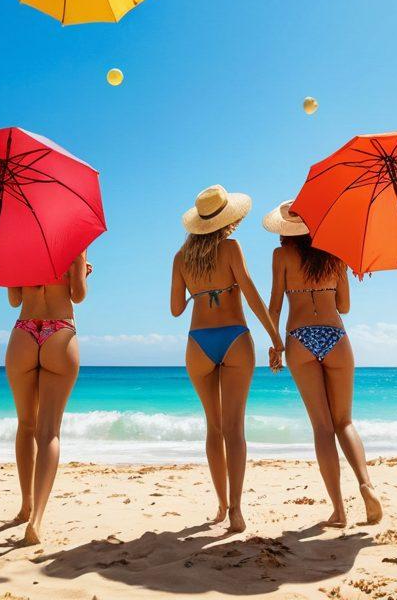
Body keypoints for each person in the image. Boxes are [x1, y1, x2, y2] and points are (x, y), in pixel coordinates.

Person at [171, 185, 284, 533]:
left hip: (198, 342)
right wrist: (276, 339)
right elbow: (250, 295)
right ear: (227, 220)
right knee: (235, 429)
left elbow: (176, 309)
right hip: (235, 337)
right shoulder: (232, 248)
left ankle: (220, 505)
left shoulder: (181, 258)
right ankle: (236, 510)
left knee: (214, 428)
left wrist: (201, 291)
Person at [265, 201, 382, 528]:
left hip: (300, 338)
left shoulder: (281, 256)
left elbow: (274, 306)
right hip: (336, 337)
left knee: (322, 427)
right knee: (344, 421)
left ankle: (339, 511)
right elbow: (343, 306)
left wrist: (275, 345)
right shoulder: (335, 255)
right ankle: (367, 486)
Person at [5, 248, 90, 544]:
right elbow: (78, 295)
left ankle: (25, 504)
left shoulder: (17, 246)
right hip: (60, 332)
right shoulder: (74, 244)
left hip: (24, 331)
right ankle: (37, 521)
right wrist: (82, 271)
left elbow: (14, 299)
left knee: (26, 424)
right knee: (49, 432)